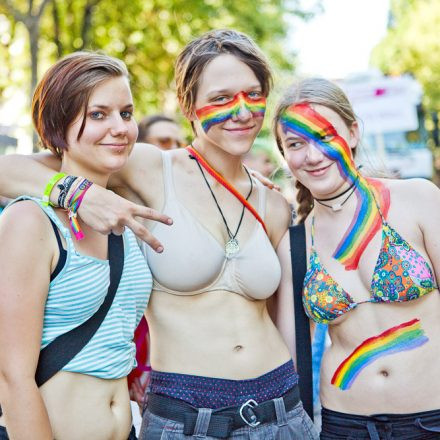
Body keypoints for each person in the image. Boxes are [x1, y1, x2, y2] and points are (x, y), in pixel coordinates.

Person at [0, 30, 318, 440]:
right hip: (187, 415)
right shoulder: (148, 167)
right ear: (188, 105)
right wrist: (78, 192)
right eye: (221, 98)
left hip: (280, 408)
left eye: (253, 94)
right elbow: (14, 169)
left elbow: (285, 318)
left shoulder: (273, 203)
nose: (240, 111)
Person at [273, 77, 440, 439]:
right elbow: (291, 357)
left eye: (325, 136)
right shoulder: (295, 245)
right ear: (284, 155)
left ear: (351, 132)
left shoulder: (419, 199)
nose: (313, 155)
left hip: (432, 417)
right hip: (345, 425)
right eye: (296, 144)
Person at [0, 52, 155, 440]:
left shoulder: (125, 215)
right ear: (57, 127)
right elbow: (11, 375)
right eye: (98, 114)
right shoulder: (30, 220)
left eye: (126, 112)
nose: (119, 127)